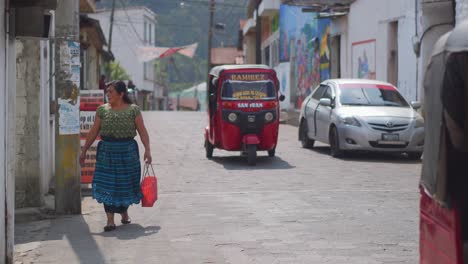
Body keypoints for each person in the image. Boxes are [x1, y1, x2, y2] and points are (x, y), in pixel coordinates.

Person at [80, 80, 152, 232]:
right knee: (107, 184)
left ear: (121, 94)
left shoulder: (133, 110)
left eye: (111, 92)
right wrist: (84, 150)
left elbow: (142, 131)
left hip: (127, 153)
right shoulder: (102, 110)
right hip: (107, 153)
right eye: (107, 92)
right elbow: (93, 131)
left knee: (125, 184)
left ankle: (124, 212)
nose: (108, 94)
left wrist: (147, 150)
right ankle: (110, 220)